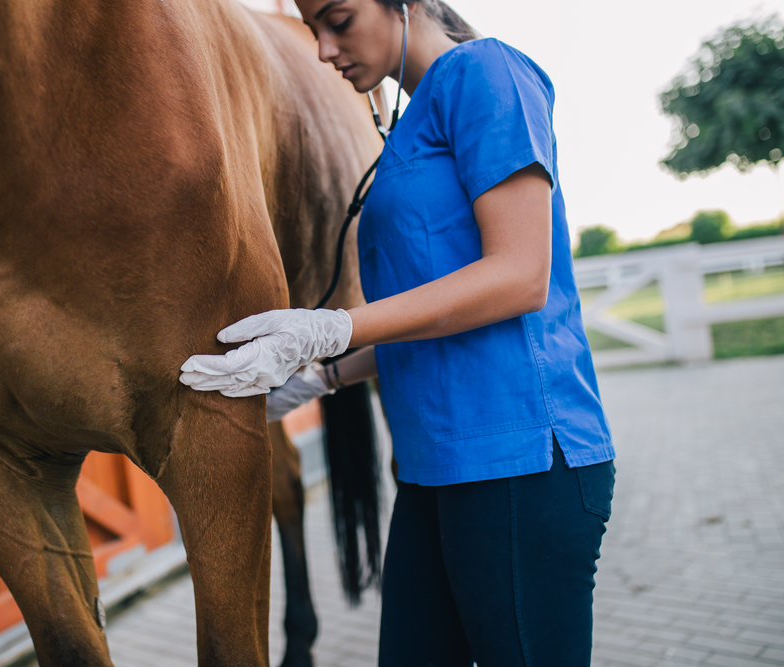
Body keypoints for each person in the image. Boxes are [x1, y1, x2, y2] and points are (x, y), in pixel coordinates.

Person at [180, 0, 616, 664]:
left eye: (339, 20)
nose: (324, 49)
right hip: (430, 469)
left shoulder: (486, 74)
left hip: (518, 462)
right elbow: (437, 317)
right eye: (312, 29)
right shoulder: (412, 121)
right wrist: (321, 377)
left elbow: (520, 274)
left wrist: (330, 329)